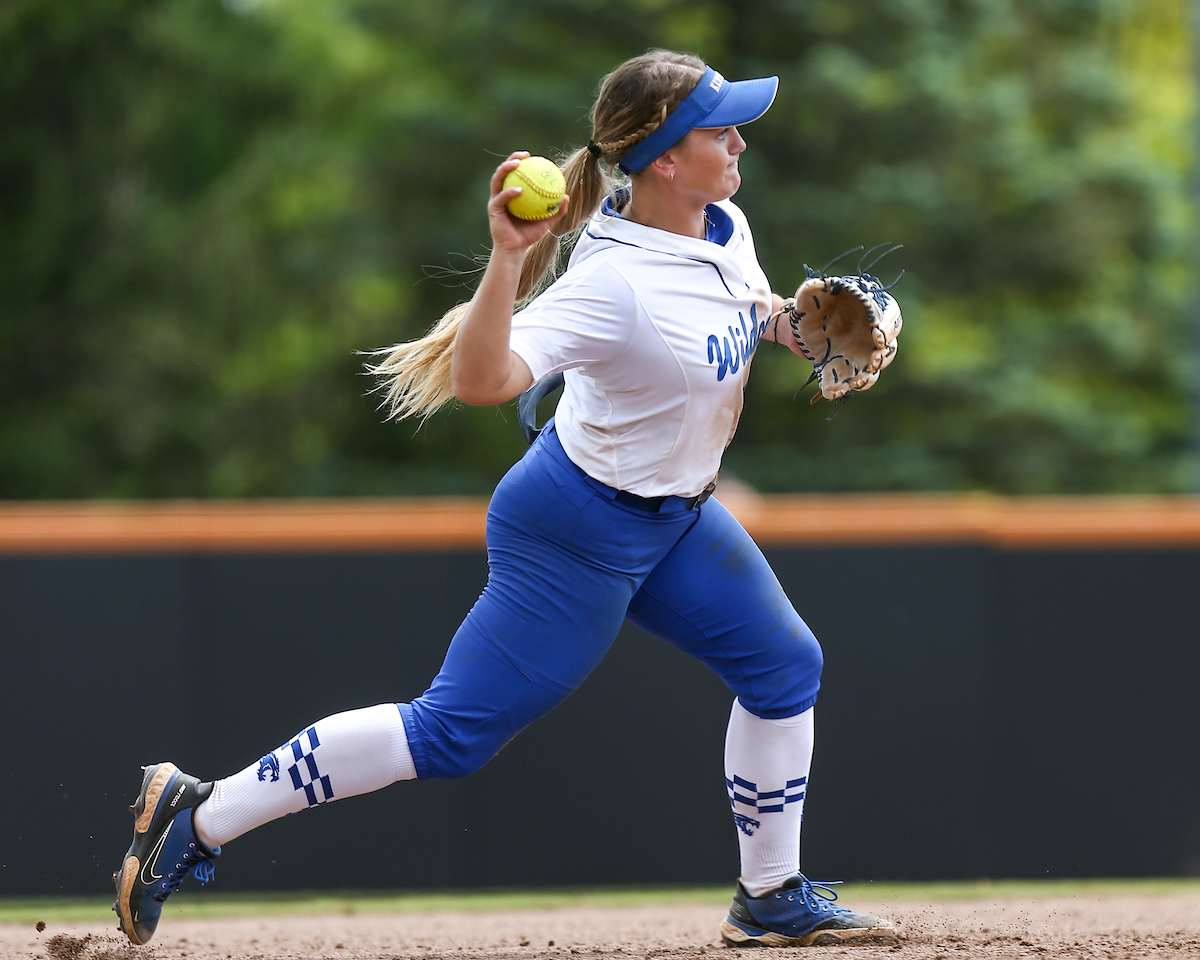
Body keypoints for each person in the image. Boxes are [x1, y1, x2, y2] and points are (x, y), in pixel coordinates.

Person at [111, 49, 895, 949]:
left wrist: (793, 326)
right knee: (451, 735)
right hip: (577, 527)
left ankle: (770, 897)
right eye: (721, 128)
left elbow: (737, 315)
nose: (740, 140)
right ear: (666, 160)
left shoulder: (723, 223)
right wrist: (506, 258)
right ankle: (198, 816)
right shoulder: (613, 284)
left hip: (675, 517)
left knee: (785, 668)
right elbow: (486, 380)